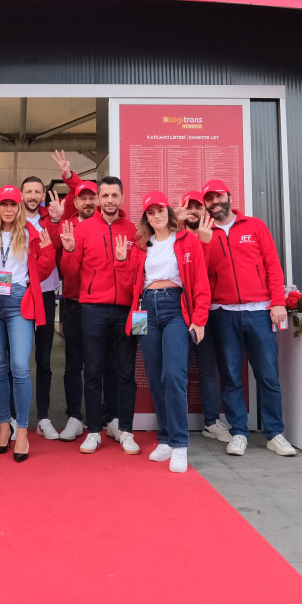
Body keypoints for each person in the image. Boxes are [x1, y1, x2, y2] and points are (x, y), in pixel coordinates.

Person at [116, 193, 211, 474]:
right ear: (146, 217)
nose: (155, 216)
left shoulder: (187, 240)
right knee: (155, 375)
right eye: (150, 212)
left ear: (168, 213)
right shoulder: (141, 246)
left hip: (175, 307)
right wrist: (122, 261)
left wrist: (199, 319)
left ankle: (180, 444)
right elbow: (130, 286)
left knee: (174, 374)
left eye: (159, 210)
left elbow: (201, 282)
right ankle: (166, 438)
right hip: (145, 309)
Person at [201, 179, 296, 458]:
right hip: (223, 314)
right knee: (231, 376)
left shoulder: (255, 226)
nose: (215, 202)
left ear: (229, 196)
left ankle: (275, 433)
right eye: (210, 199)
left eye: (219, 196)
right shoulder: (204, 233)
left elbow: (272, 265)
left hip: (259, 312)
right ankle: (239, 432)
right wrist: (203, 243)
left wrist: (278, 302)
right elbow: (200, 274)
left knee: (268, 375)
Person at [0, 186, 57, 462]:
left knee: (19, 367)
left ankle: (22, 431)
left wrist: (48, 251)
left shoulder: (31, 234)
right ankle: (4, 427)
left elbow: (42, 272)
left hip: (19, 301)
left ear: (19, 208)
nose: (8, 209)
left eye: (13, 205)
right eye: (4, 204)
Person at [61, 175, 142, 456]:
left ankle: (125, 429)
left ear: (122, 198)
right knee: (93, 370)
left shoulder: (133, 230)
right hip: (93, 308)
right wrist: (69, 251)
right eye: (104, 196)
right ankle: (94, 430)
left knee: (125, 372)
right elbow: (70, 273)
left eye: (114, 195)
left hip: (125, 309)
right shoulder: (83, 229)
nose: (109, 200)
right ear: (98, 199)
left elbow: (139, 271)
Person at [177, 189, 227, 442]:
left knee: (208, 369)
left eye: (198, 207)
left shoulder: (213, 235)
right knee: (177, 370)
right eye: (189, 206)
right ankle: (175, 423)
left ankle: (211, 421)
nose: (194, 211)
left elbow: (208, 273)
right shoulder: (174, 237)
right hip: (178, 314)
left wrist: (205, 244)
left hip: (206, 313)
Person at [20, 174, 67, 439]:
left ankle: (43, 417)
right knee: (18, 361)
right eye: (29, 191)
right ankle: (15, 418)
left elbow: (60, 246)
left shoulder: (51, 219)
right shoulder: (12, 219)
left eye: (37, 192)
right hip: (20, 294)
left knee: (44, 359)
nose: (33, 196)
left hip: (46, 293)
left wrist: (57, 221)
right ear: (21, 195)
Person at [54, 181, 98, 441]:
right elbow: (58, 261)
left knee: (100, 362)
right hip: (72, 301)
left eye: (92, 197)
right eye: (83, 198)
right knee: (73, 363)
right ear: (75, 202)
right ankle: (74, 416)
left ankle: (103, 416)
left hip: (100, 304)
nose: (88, 202)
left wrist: (70, 175)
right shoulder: (67, 225)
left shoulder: (105, 225)